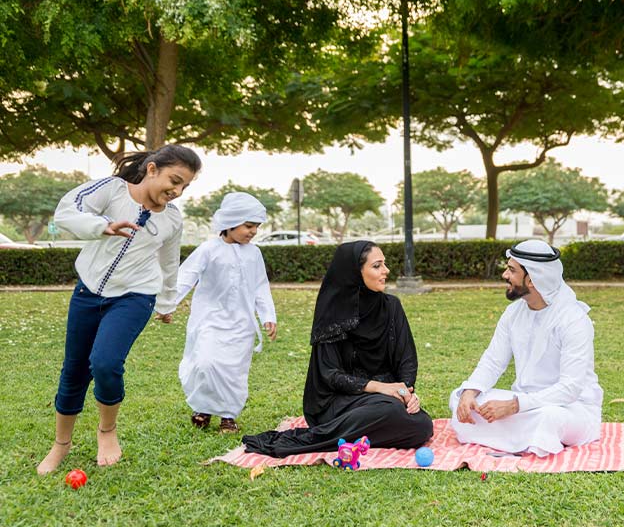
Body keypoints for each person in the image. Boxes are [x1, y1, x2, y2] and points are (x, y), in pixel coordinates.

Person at [36, 144, 202, 475]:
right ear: (152, 169)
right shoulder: (111, 190)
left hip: (135, 296)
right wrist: (101, 226)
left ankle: (107, 431)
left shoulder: (171, 218)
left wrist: (168, 302)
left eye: (185, 186)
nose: (178, 191)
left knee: (106, 362)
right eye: (175, 180)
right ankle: (61, 445)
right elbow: (68, 211)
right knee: (75, 370)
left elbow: (170, 264)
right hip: (88, 292)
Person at [241, 240, 433, 457]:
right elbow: (330, 375)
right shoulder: (334, 312)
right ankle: (333, 435)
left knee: (423, 426)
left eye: (384, 264)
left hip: (385, 399)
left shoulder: (391, 306)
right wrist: (379, 387)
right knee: (391, 411)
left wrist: (406, 392)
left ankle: (357, 434)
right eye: (377, 266)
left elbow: (406, 358)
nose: (386, 271)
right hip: (336, 402)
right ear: (355, 272)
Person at [449, 239, 603, 457]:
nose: (505, 275)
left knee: (549, 418)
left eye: (511, 270)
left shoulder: (573, 319)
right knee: (460, 400)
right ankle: (522, 439)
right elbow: (493, 361)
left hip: (572, 409)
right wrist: (470, 392)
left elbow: (570, 388)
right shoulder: (513, 313)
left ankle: (513, 437)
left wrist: (514, 406)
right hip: (523, 403)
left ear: (532, 279)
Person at [175, 192, 277, 433]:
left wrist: (268, 316)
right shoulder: (208, 249)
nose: (253, 231)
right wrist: (167, 305)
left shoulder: (254, 253)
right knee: (206, 363)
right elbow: (185, 277)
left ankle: (228, 416)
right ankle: (203, 406)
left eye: (257, 227)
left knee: (233, 371)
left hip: (242, 323)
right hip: (209, 319)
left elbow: (260, 286)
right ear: (229, 224)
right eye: (248, 226)